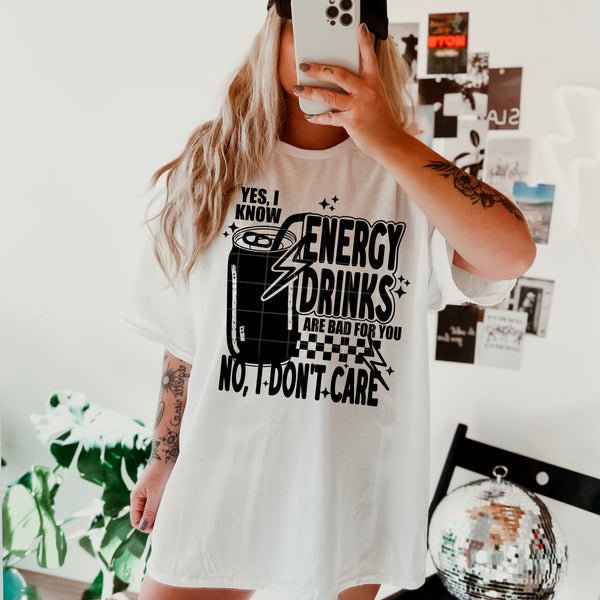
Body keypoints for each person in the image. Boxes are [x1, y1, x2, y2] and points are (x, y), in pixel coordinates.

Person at [121, 2, 536, 600]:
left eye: (345, 26)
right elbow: (185, 340)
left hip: (348, 499)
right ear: (274, 35)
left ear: (375, 46)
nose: (324, 49)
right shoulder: (211, 169)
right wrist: (164, 458)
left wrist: (385, 139)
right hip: (220, 484)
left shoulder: (409, 178)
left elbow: (512, 254)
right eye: (310, 22)